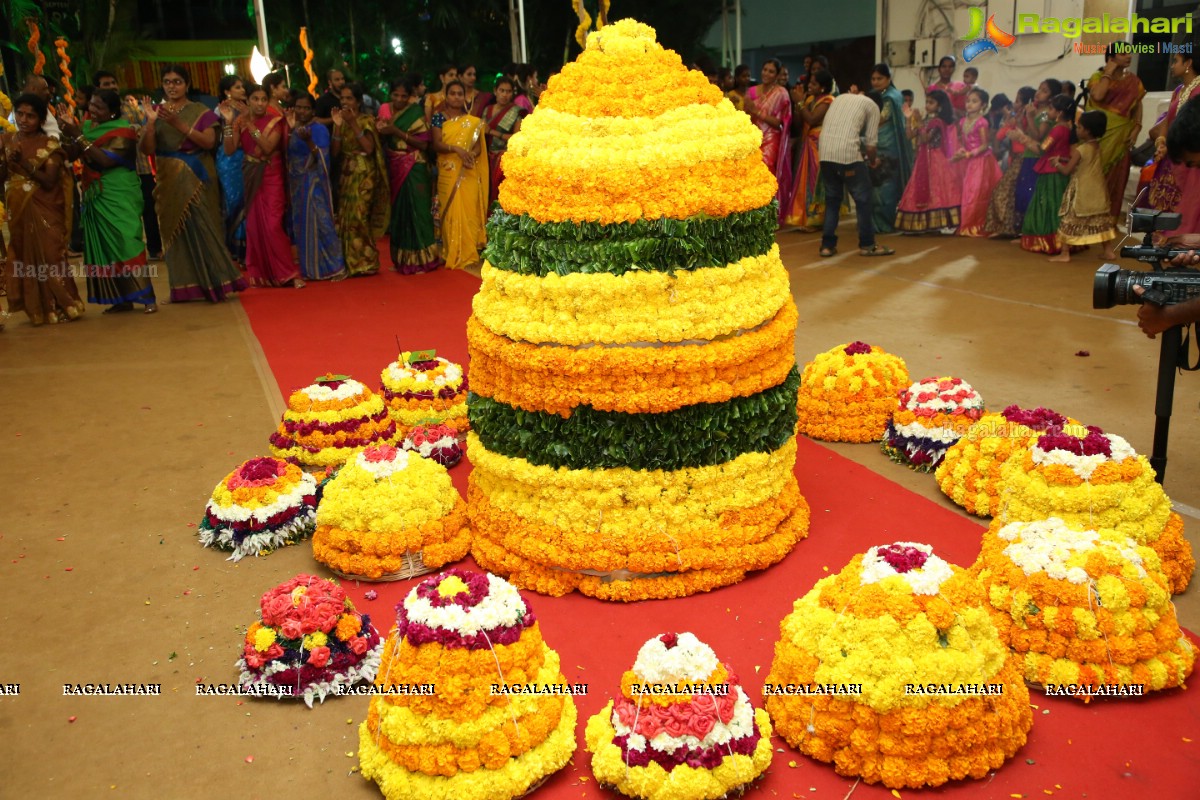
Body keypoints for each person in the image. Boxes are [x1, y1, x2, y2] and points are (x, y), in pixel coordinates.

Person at [140, 65, 246, 302]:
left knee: (205, 226)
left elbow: (210, 143)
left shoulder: (202, 111)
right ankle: (183, 288)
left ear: (187, 84)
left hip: (201, 175)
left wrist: (179, 124)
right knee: (174, 234)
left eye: (177, 81)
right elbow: (147, 149)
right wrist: (149, 124)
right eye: (167, 82)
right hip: (169, 178)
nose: (172, 86)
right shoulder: (157, 112)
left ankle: (217, 282)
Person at [59, 89, 157, 314]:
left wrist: (77, 134)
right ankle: (120, 298)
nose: (92, 110)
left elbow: (104, 159)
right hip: (94, 191)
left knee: (126, 240)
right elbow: (72, 154)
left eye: (99, 107)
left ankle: (147, 295)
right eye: (91, 104)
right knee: (103, 245)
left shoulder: (124, 130)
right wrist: (67, 131)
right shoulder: (85, 127)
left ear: (112, 112)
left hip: (118, 189)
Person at [1, 93, 84, 325]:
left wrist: (23, 164)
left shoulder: (50, 145)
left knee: (51, 255)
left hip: (46, 207)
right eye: (20, 114)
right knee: (26, 257)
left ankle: (66, 304)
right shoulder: (6, 141)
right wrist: (5, 161)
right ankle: (38, 309)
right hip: (17, 208)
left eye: (31, 116)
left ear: (40, 120)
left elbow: (49, 181)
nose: (24, 119)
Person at [229, 84, 302, 288]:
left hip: (271, 175)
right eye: (255, 99)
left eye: (263, 99)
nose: (260, 103)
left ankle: (289, 273)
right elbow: (229, 149)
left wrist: (250, 127)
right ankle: (263, 274)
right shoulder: (238, 122)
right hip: (251, 176)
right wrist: (228, 123)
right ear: (248, 101)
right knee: (254, 226)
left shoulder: (275, 122)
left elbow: (268, 147)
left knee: (272, 225)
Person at [375, 76, 441, 273]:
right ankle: (404, 260)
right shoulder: (387, 113)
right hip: (394, 165)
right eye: (396, 95)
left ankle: (425, 259)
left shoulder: (415, 113)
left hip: (414, 166)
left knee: (418, 211)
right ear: (390, 95)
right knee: (401, 213)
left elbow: (423, 144)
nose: (399, 99)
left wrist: (394, 130)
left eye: (404, 96)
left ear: (410, 96)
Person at [818, 89, 891, 257]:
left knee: (832, 201)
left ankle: (827, 246)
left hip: (825, 155)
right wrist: (873, 161)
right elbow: (871, 146)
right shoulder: (872, 107)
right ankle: (868, 245)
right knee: (863, 200)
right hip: (848, 157)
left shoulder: (841, 97)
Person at [284, 92, 346, 281]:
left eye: (306, 108)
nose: (302, 111)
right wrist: (290, 131)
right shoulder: (294, 128)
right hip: (296, 185)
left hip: (314, 182)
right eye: (299, 107)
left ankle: (335, 267)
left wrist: (309, 140)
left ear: (313, 110)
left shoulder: (318, 129)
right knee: (302, 226)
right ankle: (311, 269)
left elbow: (323, 157)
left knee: (322, 223)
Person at [332, 82, 389, 276]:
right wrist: (339, 127)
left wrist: (352, 124)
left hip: (364, 174)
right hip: (347, 173)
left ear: (357, 101)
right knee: (345, 217)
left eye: (349, 98)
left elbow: (369, 148)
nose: (345, 102)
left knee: (359, 216)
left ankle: (367, 261)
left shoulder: (365, 120)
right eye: (342, 99)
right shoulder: (338, 120)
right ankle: (350, 262)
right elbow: (335, 152)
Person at [431, 80, 488, 270]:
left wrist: (470, 155)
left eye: (459, 94)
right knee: (450, 210)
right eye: (452, 93)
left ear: (465, 97)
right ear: (446, 96)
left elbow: (478, 147)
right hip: (448, 169)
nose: (456, 97)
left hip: (468, 170)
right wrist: (456, 149)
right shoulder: (438, 118)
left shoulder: (472, 122)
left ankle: (468, 252)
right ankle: (451, 251)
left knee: (469, 209)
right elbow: (437, 144)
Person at [1048, 110, 1118, 263]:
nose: (1077, 130)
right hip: (1097, 189)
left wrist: (1057, 163)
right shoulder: (1096, 146)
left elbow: (1067, 171)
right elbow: (1082, 161)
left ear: (1087, 130)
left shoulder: (1080, 149)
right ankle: (1108, 251)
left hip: (1081, 189)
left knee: (1069, 219)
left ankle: (1064, 253)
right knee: (1100, 220)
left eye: (1079, 127)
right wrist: (1066, 158)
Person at [1085, 43, 1145, 218]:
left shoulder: (1134, 81)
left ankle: (1108, 221)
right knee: (1093, 176)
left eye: (1129, 52)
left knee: (1117, 179)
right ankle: (1086, 218)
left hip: (1121, 139)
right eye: (1123, 53)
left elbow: (1137, 105)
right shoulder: (1097, 77)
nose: (1129, 56)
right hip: (1100, 137)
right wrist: (1108, 73)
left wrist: (1137, 128)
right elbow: (1097, 96)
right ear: (1111, 58)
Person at [1148, 51, 1200, 234]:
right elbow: (1167, 122)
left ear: (1188, 63)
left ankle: (1184, 241)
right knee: (1165, 203)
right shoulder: (1179, 90)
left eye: (1176, 61)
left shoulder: (1199, 90)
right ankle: (1166, 239)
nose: (1171, 66)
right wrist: (1161, 143)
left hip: (1192, 157)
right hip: (1173, 156)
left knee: (1188, 203)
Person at [895, 89, 960, 233]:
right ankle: (927, 223)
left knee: (935, 191)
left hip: (935, 161)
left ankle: (934, 222)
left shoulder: (937, 122)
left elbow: (925, 139)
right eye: (927, 102)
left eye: (931, 103)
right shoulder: (926, 120)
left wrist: (918, 121)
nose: (927, 105)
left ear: (940, 106)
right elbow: (909, 135)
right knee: (925, 189)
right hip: (923, 159)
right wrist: (908, 119)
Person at [1017, 95, 1075, 253]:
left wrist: (1022, 139)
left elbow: (1043, 149)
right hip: (1059, 170)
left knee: (1049, 204)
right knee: (1057, 204)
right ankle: (1062, 241)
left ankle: (1049, 241)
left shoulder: (1057, 130)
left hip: (1051, 172)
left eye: (1051, 109)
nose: (1047, 111)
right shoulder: (1067, 127)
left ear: (1059, 113)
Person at [783, 70, 833, 230]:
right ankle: (805, 217)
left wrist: (799, 103)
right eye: (809, 83)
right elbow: (800, 123)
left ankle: (817, 218)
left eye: (814, 84)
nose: (809, 86)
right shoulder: (810, 99)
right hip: (808, 142)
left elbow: (812, 118)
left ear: (823, 87)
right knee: (804, 181)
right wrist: (799, 106)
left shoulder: (828, 100)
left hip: (819, 143)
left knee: (815, 180)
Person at [868, 63, 914, 235]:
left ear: (888, 79)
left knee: (886, 188)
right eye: (873, 78)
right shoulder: (876, 96)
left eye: (879, 78)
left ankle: (885, 223)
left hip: (890, 148)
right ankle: (874, 223)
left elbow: (880, 118)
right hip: (874, 146)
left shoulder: (892, 97)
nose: (876, 82)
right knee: (873, 187)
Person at [746, 59, 793, 225]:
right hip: (754, 138)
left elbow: (780, 123)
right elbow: (747, 116)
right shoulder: (751, 91)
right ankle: (756, 214)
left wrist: (757, 111)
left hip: (772, 138)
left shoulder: (781, 93)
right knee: (753, 177)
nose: (766, 73)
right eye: (765, 69)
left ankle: (770, 215)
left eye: (771, 71)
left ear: (777, 75)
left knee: (767, 175)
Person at [986, 86, 1035, 237]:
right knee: (1007, 192)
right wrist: (1008, 122)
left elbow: (1029, 136)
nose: (1015, 103)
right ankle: (1006, 228)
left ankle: (1011, 229)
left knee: (1005, 192)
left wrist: (1017, 123)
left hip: (1025, 159)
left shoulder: (1030, 117)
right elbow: (1000, 136)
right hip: (1015, 159)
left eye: (1018, 100)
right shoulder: (1014, 117)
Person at [953, 88, 1002, 237]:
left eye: (974, 101)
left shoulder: (982, 122)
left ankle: (975, 224)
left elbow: (985, 144)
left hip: (980, 161)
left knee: (975, 193)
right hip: (967, 161)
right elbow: (961, 139)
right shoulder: (962, 121)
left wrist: (970, 153)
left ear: (983, 105)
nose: (969, 104)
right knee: (966, 191)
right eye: (968, 101)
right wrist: (961, 150)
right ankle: (967, 224)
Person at [1014, 79, 1060, 231]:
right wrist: (1021, 119)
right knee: (1022, 191)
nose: (1038, 93)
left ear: (1052, 97)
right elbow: (1027, 133)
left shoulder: (1046, 114)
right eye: (1039, 89)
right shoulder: (1035, 111)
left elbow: (1039, 136)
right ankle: (1025, 229)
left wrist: (1029, 118)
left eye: (1044, 91)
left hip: (1037, 157)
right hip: (1028, 155)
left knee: (1030, 193)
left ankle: (1031, 230)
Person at [215, 74, 248, 265]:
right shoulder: (221, 110)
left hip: (245, 158)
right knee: (232, 202)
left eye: (242, 87)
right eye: (237, 87)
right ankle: (231, 249)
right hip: (228, 159)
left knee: (245, 203)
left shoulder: (247, 107)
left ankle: (244, 250)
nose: (242, 90)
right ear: (227, 92)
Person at [484, 76, 523, 207]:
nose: (505, 95)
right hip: (485, 158)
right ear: (495, 91)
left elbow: (516, 138)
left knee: (499, 195)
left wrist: (492, 132)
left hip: (503, 159)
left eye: (508, 91)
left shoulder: (516, 112)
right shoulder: (487, 110)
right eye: (502, 90)